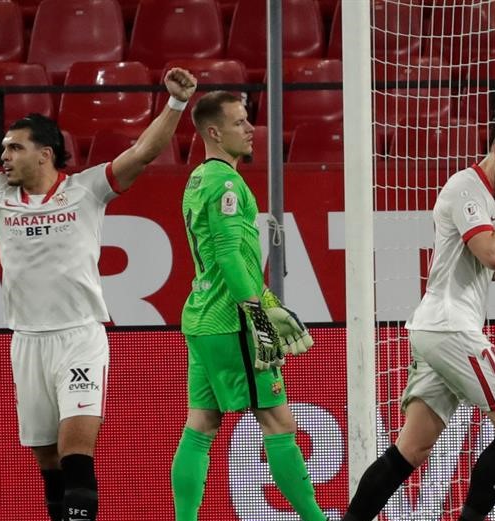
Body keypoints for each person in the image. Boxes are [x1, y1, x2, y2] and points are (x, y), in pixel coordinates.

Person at [0, 65, 198, 521]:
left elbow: (143, 153)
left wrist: (176, 104)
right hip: (26, 341)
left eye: (13, 148)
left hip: (80, 338)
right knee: (48, 464)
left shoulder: (87, 189)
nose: (2, 155)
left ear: (45, 154)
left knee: (76, 453)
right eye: (3, 148)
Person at [342, 118, 495, 521]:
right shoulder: (467, 188)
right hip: (450, 328)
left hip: (436, 327)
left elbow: (483, 265)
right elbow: (490, 253)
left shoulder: (485, 197)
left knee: (412, 449)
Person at [173, 90, 324, 521]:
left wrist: (267, 300)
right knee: (279, 424)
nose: (249, 129)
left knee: (201, 425)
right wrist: (258, 312)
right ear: (214, 132)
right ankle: (316, 519)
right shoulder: (225, 183)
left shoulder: (197, 179)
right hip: (230, 320)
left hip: (201, 317)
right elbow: (227, 253)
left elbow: (225, 257)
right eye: (239, 122)